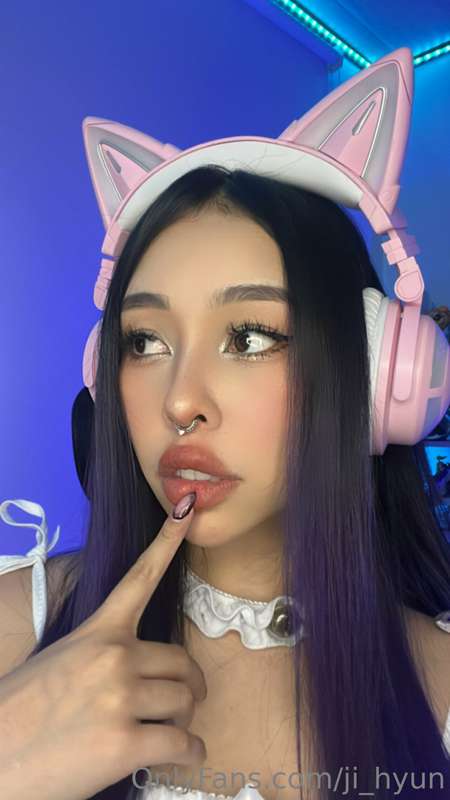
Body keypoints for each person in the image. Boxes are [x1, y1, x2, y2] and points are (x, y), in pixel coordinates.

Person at [0, 46, 449, 800]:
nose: (180, 402)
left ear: (377, 376)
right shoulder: (21, 623)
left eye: (249, 337)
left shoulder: (440, 684)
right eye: (145, 342)